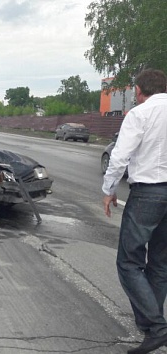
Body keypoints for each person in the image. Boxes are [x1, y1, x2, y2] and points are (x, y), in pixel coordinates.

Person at [102, 69, 167, 354]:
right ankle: (152, 325)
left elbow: (119, 156)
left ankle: (156, 327)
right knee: (160, 263)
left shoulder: (140, 114)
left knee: (129, 262)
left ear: (140, 91)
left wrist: (108, 190)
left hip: (148, 194)